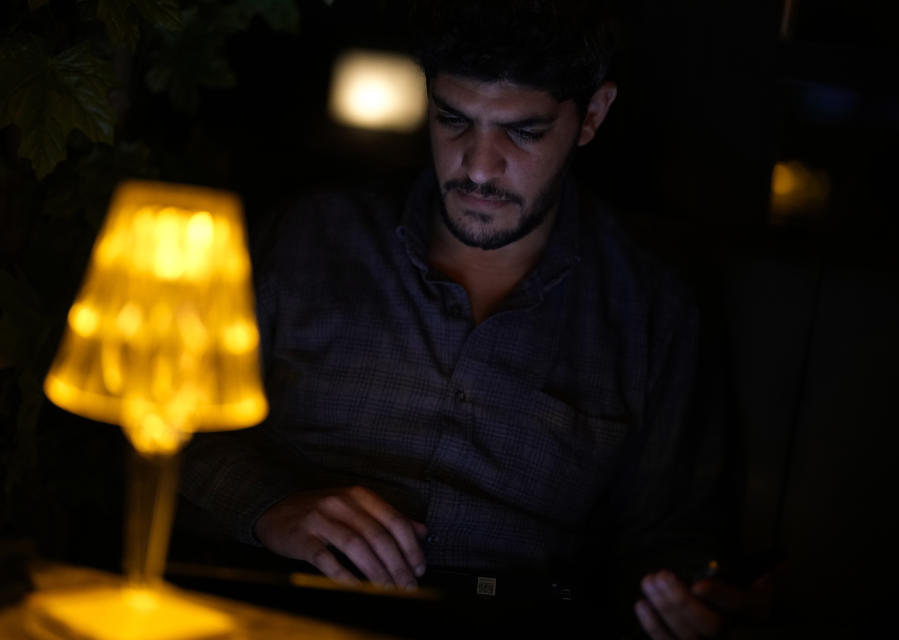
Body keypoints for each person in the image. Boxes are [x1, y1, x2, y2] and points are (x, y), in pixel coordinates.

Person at [179, 1, 772, 637]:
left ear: (591, 116)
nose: (478, 166)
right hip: (275, 610)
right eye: (453, 120)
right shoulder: (309, 239)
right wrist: (269, 507)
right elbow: (171, 424)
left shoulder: (652, 311)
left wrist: (689, 602)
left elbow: (674, 532)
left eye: (522, 132)